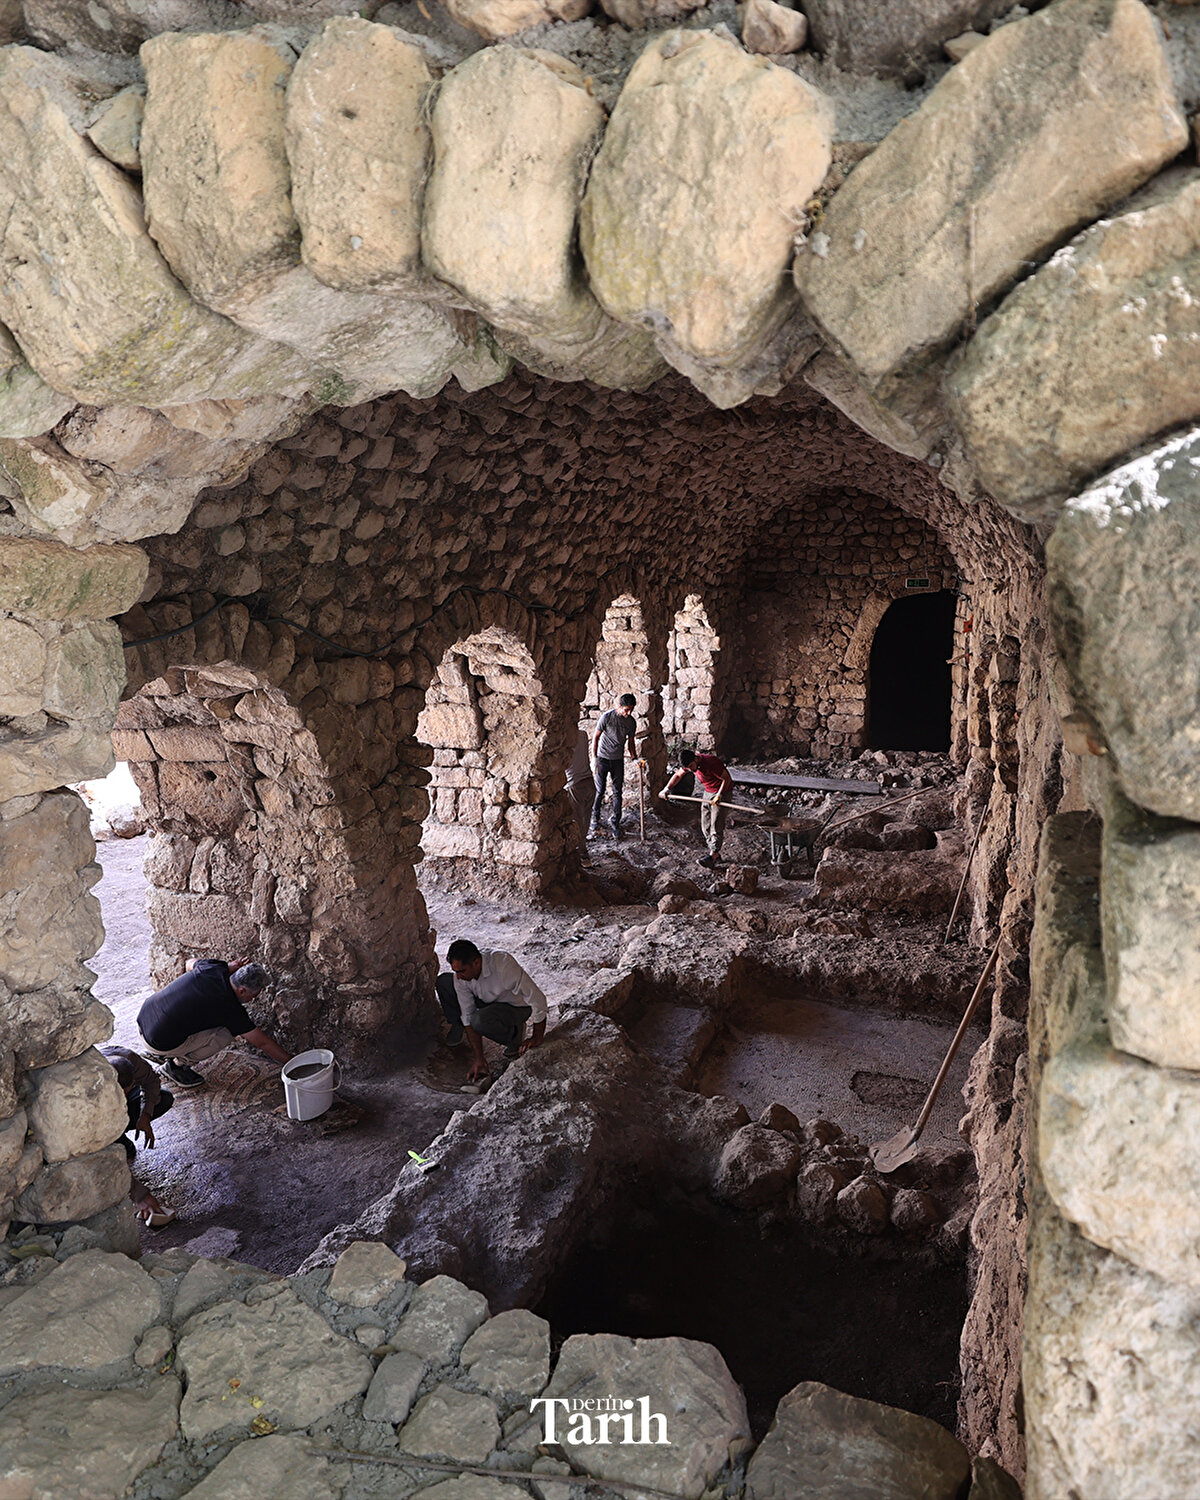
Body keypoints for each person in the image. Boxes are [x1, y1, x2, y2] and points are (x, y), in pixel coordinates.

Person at [136, 959, 292, 1089]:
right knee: (224, 1035)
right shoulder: (231, 1009)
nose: (254, 999)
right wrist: (292, 1063)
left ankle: (162, 1053)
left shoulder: (212, 967)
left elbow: (189, 963)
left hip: (144, 1020)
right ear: (243, 990)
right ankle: (176, 1065)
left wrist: (228, 967)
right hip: (158, 1041)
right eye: (254, 995)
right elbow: (263, 1043)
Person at [436, 939, 548, 1084]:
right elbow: (467, 1015)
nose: (458, 976)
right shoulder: (461, 978)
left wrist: (537, 1037)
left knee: (479, 1021)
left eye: (462, 971)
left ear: (476, 962)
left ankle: (514, 1035)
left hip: (517, 1006)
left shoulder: (503, 964)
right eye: (455, 971)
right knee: (445, 981)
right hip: (488, 1001)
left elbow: (538, 999)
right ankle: (458, 1026)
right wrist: (479, 1059)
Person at [100, 1044, 177, 1227]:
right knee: (104, 1142)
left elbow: (152, 1083)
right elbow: (96, 1155)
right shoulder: (89, 1083)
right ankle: (116, 1137)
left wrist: (145, 1115)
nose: (124, 1097)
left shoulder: (130, 1060)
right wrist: (140, 1195)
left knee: (163, 1098)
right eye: (121, 1093)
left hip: (118, 1089)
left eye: (127, 1089)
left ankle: (121, 1133)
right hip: (100, 1109)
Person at [661, 748, 734, 868]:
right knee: (705, 824)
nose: (691, 770)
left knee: (716, 823)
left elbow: (726, 779)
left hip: (722, 791)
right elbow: (678, 775)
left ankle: (713, 854)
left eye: (691, 766)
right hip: (708, 792)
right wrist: (667, 789)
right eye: (688, 768)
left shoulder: (711, 763)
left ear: (696, 758)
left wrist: (719, 795)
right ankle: (715, 852)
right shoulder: (688, 762)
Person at [590, 693, 639, 840]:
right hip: (603, 758)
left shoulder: (631, 722)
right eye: (626, 709)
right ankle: (595, 818)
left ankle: (615, 822)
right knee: (600, 790)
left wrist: (634, 758)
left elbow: (630, 742)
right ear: (619, 706)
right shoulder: (607, 717)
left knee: (618, 791)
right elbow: (596, 737)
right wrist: (594, 758)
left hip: (617, 760)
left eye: (631, 710)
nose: (628, 713)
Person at [566, 726, 595, 865]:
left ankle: (582, 854)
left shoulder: (564, 739)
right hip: (589, 782)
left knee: (577, 820)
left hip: (575, 784)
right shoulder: (583, 734)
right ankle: (583, 850)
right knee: (585, 819)